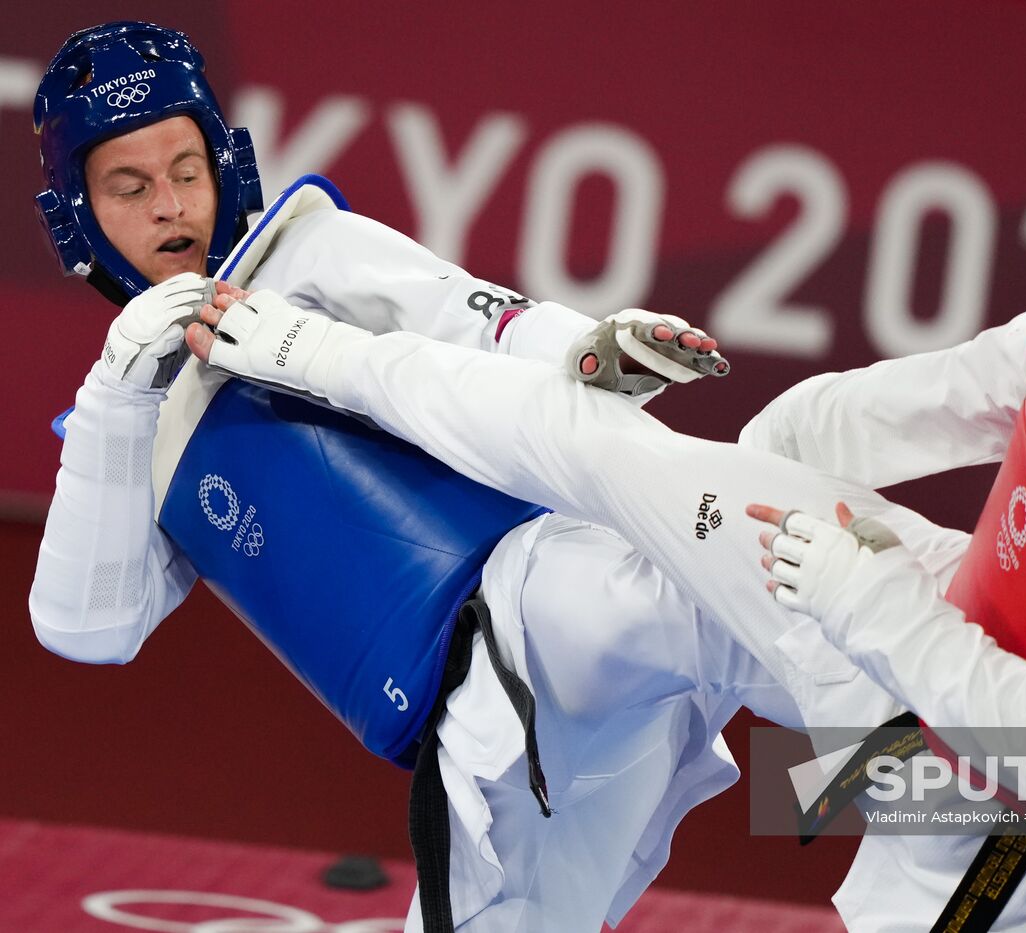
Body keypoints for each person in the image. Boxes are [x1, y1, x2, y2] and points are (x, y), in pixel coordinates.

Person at [186, 47, 1026, 931]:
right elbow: (959, 390)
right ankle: (298, 347)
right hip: (924, 646)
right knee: (600, 449)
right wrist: (774, 452)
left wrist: (861, 598)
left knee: (855, 821)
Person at [27, 21, 906, 933]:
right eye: (130, 187)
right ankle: (976, 789)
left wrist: (587, 349)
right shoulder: (130, 425)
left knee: (704, 607)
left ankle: (1003, 789)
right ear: (79, 218)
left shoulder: (303, 255)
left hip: (530, 597)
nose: (170, 205)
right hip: (483, 753)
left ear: (226, 167)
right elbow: (88, 628)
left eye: (185, 170)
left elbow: (474, 316)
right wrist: (115, 402)